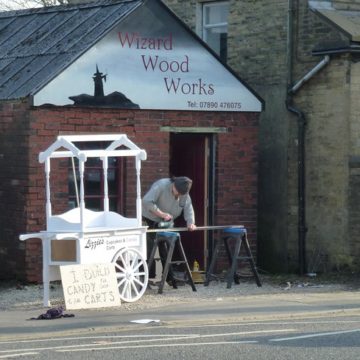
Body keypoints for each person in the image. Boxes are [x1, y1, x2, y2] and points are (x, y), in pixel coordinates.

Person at [142, 176, 196, 282]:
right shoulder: (161, 185)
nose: (178, 195)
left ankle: (169, 277)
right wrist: (161, 214)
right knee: (149, 250)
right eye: (177, 192)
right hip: (149, 219)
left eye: (181, 194)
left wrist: (191, 223)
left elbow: (188, 207)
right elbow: (146, 201)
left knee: (167, 248)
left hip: (166, 222)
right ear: (173, 185)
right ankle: (147, 278)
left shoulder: (184, 193)